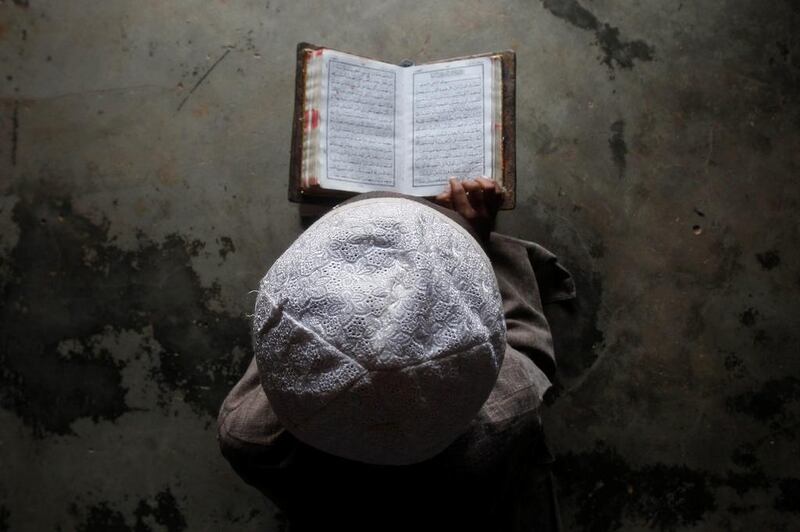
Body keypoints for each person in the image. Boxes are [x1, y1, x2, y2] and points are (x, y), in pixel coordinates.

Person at [217, 177, 576, 531]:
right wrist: (477, 239)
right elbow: (529, 348)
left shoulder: (249, 438)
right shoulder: (508, 409)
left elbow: (277, 344)